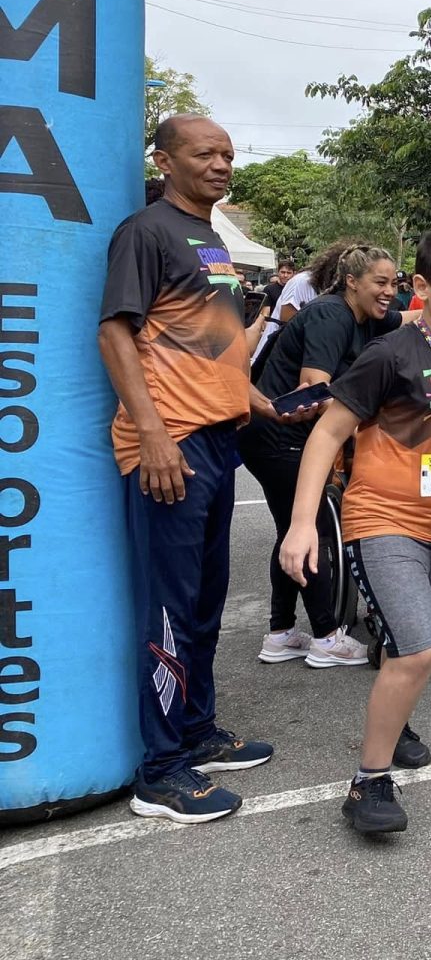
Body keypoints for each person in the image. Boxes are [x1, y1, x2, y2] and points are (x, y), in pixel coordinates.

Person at [279, 227, 431, 835]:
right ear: (422, 288)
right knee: (419, 646)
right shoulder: (389, 354)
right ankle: (368, 782)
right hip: (381, 516)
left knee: (406, 641)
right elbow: (327, 433)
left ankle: (394, 719)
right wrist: (301, 527)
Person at [100, 114, 276, 824]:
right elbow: (117, 329)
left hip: (215, 438)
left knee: (205, 600)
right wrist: (152, 434)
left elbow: (209, 341)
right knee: (170, 608)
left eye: (229, 153)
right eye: (205, 152)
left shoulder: (210, 236)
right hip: (167, 444)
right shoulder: (146, 231)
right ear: (164, 160)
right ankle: (162, 770)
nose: (221, 163)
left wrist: (256, 399)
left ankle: (197, 730)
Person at [241, 244, 407, 670]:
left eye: (394, 282)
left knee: (289, 532)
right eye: (380, 282)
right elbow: (314, 389)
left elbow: (413, 319)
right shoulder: (333, 314)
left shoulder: (366, 314)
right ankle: (326, 635)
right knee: (311, 532)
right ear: (352, 281)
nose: (390, 291)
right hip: (280, 438)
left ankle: (280, 633)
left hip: (276, 438)